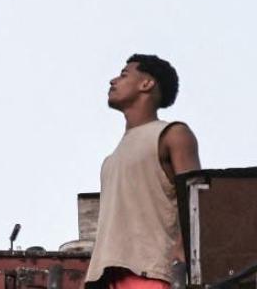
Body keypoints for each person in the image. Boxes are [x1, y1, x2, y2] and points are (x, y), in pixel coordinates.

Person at [86, 54, 201, 289]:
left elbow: (196, 202)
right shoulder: (110, 161)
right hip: (105, 278)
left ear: (146, 84)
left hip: (150, 273)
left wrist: (182, 255)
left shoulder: (172, 134)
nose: (113, 80)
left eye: (124, 75)